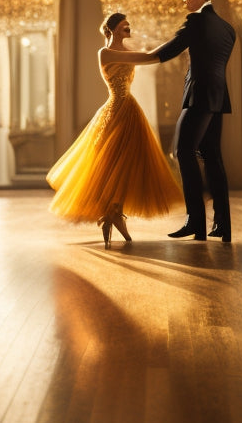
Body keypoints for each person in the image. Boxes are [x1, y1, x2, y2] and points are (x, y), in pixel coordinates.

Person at [46, 13, 184, 247]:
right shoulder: (106, 53)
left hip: (131, 109)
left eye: (128, 27)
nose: (127, 30)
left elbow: (151, 57)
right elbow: (150, 56)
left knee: (129, 164)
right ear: (111, 30)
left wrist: (176, 44)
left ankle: (114, 213)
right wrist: (179, 41)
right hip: (115, 108)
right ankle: (112, 214)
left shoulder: (129, 53)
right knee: (110, 163)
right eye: (123, 27)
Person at [154, 0, 236, 242]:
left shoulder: (197, 21)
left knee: (182, 150)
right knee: (213, 157)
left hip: (199, 96)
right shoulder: (227, 29)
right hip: (218, 97)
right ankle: (222, 225)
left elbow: (168, 51)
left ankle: (195, 220)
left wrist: (132, 58)